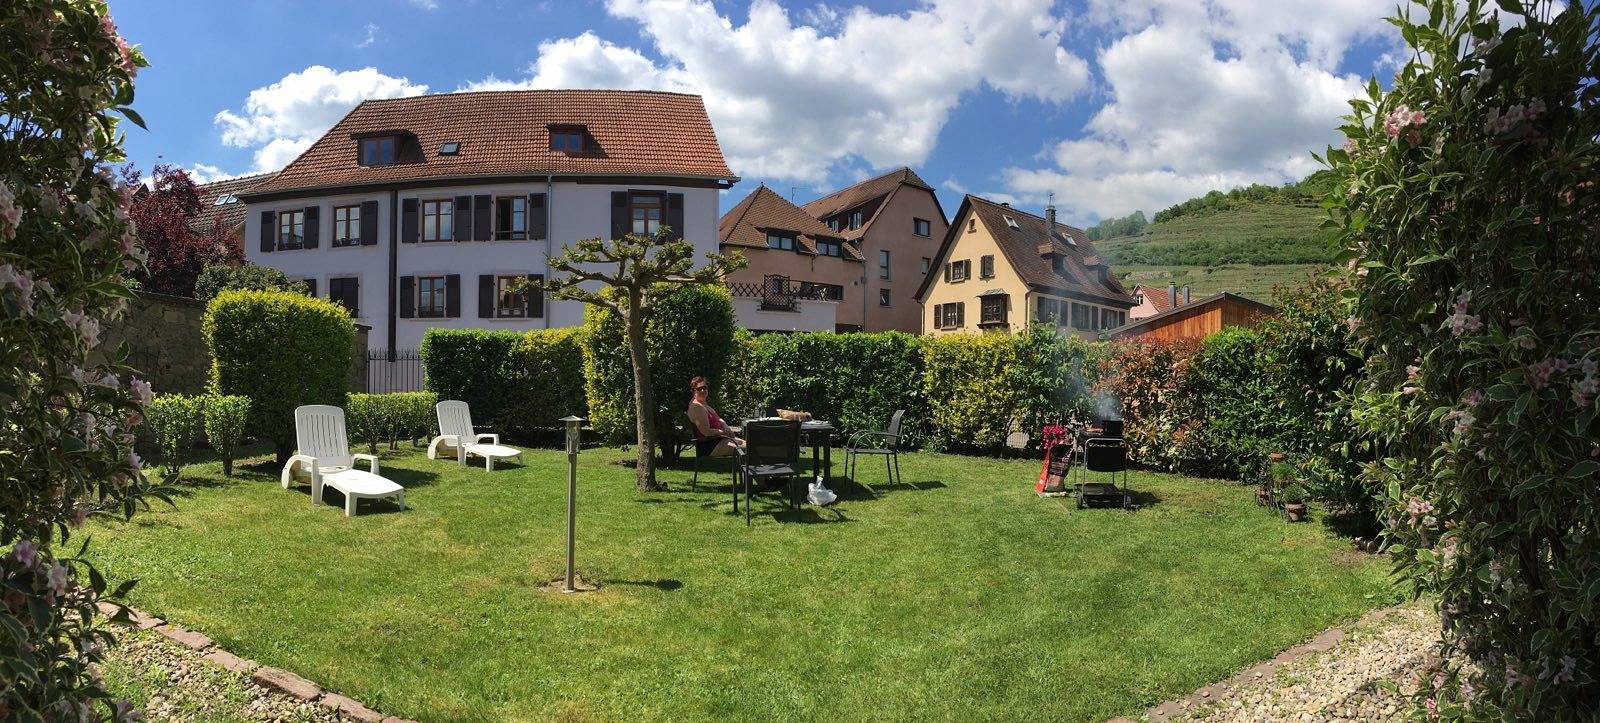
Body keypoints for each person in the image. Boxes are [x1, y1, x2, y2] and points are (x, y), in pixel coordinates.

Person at [686, 376, 743, 457]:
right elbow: (706, 431)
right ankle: (758, 468)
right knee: (750, 448)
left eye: (704, 387)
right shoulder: (696, 407)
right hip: (710, 445)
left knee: (751, 444)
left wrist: (725, 426)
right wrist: (725, 433)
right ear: (693, 391)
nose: (703, 390)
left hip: (719, 440)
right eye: (699, 389)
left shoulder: (703, 404)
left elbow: (718, 419)